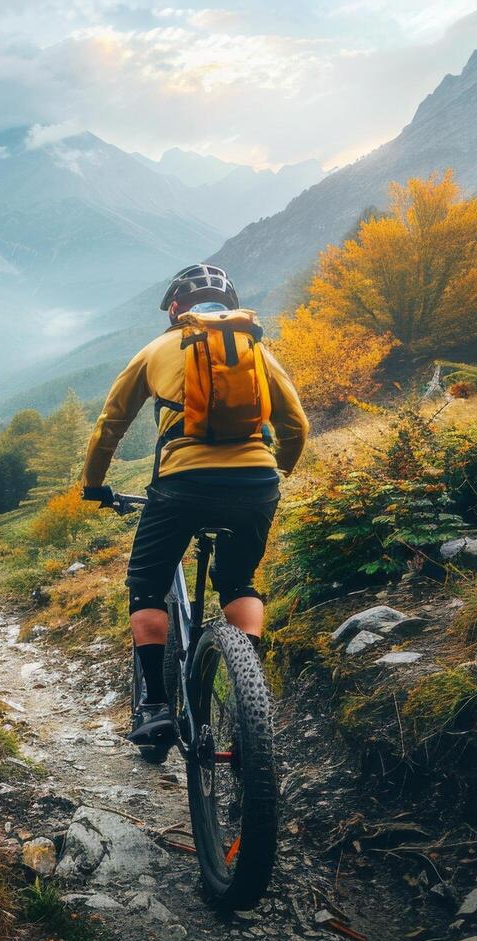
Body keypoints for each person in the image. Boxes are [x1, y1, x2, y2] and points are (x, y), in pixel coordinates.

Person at [79, 263, 308, 747]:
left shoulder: (158, 348)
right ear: (228, 307)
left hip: (182, 486)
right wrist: (272, 475)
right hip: (256, 484)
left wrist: (94, 484)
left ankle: (155, 708)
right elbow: (297, 428)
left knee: (146, 586)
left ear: (177, 309)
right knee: (238, 583)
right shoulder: (257, 350)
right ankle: (251, 694)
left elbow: (110, 424)